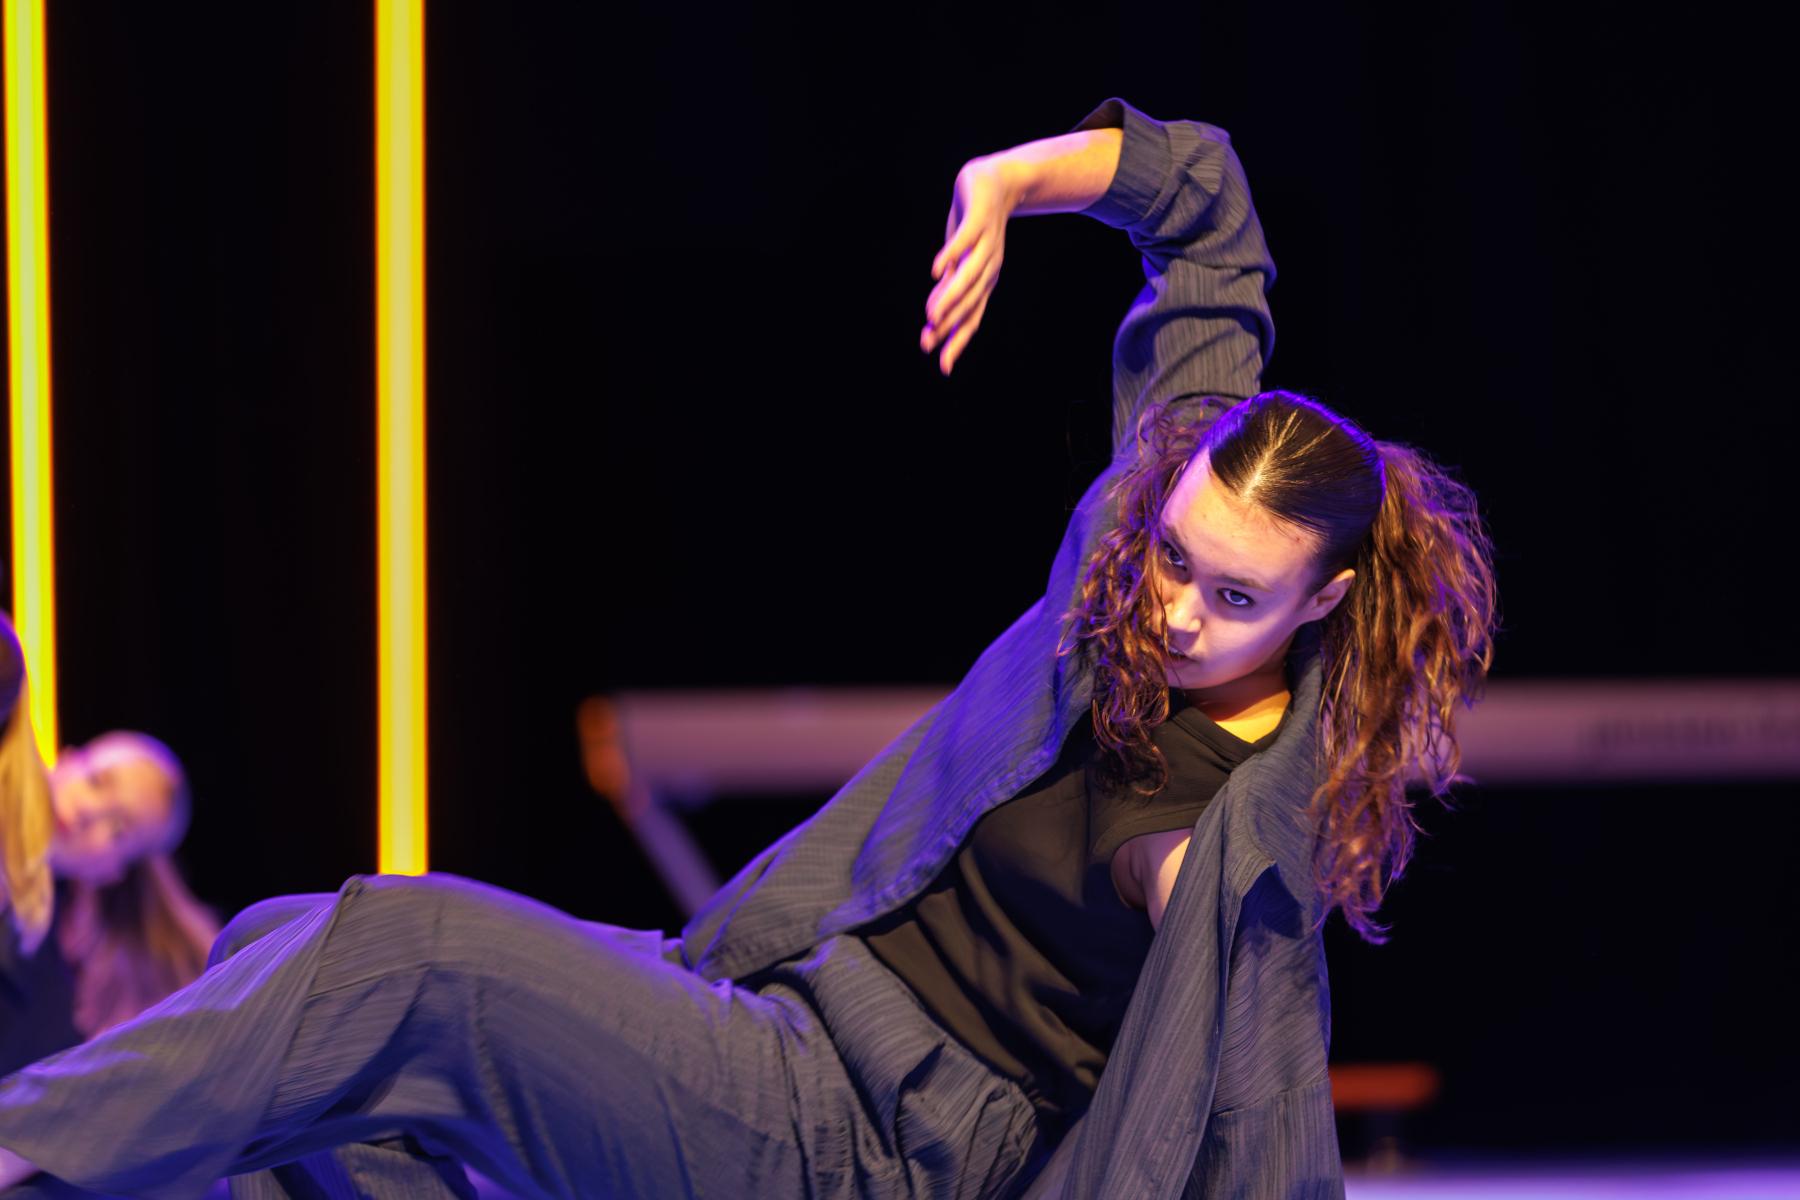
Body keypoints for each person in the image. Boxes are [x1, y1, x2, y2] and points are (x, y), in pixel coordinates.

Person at [0, 98, 1495, 1200]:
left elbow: (1261, 1113)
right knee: (287, 986)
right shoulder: (1149, 527)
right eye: (1172, 556)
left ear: (1322, 603)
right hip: (767, 1007)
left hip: (860, 1147)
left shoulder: (1241, 840)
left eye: (1233, 598)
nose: (1175, 610)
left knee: (404, 957)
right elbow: (1208, 217)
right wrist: (1005, 181)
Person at [48, 732, 219, 1039]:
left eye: (117, 829)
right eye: (96, 781)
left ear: (108, 872)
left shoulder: (43, 999)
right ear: (68, 758)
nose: (87, 811)